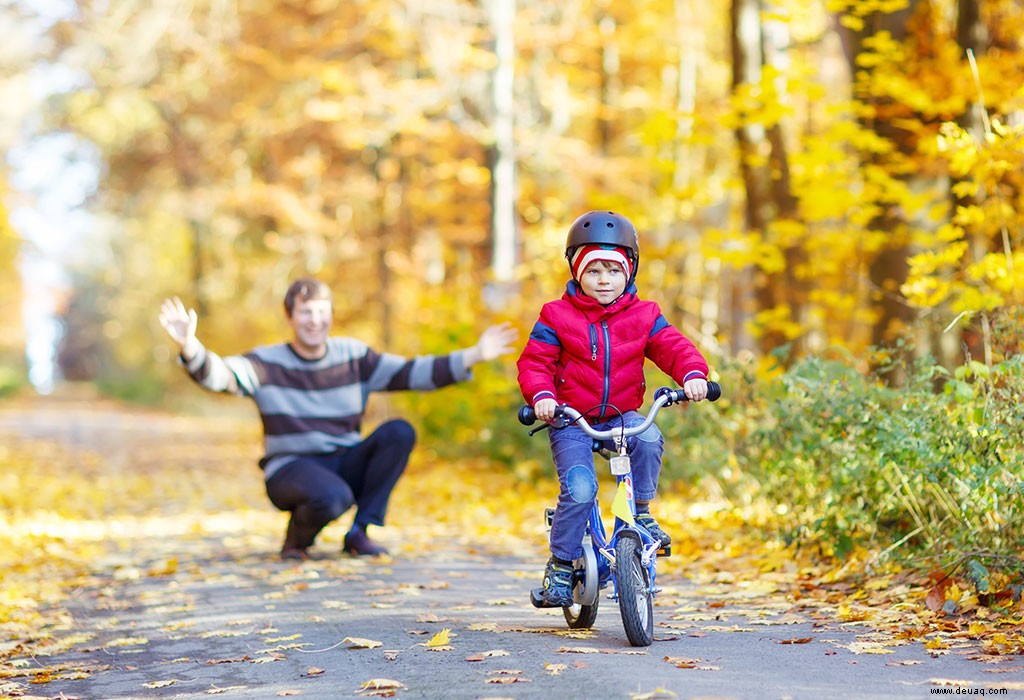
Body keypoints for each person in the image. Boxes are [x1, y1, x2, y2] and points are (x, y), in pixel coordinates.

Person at [159, 277, 517, 560]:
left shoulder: (353, 357)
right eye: (305, 312)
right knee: (332, 496)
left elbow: (411, 372)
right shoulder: (266, 363)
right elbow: (220, 375)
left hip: (344, 459)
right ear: (290, 317)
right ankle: (297, 538)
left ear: (330, 315)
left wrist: (473, 355)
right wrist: (191, 348)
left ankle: (360, 532)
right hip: (290, 467)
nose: (314, 320)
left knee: (398, 432)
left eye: (321, 311)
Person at [516, 210, 710, 607]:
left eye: (613, 270)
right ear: (576, 272)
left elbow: (672, 347)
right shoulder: (556, 315)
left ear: (629, 272)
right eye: (593, 271)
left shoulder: (645, 314)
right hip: (571, 417)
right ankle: (562, 564)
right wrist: (543, 399)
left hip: (622, 414)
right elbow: (535, 362)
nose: (604, 280)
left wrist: (693, 374)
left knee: (650, 436)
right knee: (581, 489)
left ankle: (641, 512)